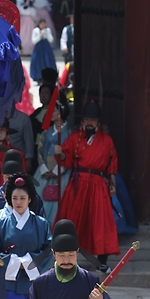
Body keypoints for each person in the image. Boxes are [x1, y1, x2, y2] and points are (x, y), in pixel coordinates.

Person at [55, 99, 119, 270]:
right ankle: (66, 258)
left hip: (98, 184)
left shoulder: (106, 140)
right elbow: (66, 161)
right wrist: (60, 155)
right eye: (87, 119)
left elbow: (111, 164)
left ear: (98, 122)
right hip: (78, 183)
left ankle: (102, 261)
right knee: (73, 220)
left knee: (100, 223)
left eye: (93, 120)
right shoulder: (74, 138)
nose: (89, 122)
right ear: (82, 121)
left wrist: (112, 183)